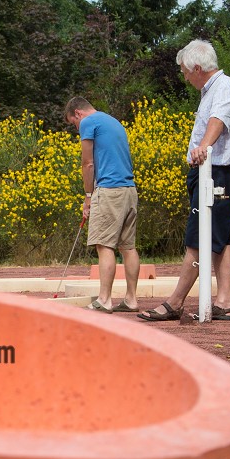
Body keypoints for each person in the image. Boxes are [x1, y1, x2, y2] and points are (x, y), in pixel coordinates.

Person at [140, 39, 230, 323]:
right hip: (212, 170)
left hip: (218, 171)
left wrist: (203, 147)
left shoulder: (224, 85)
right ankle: (224, 302)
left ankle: (175, 302)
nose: (184, 77)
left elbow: (219, 118)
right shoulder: (211, 90)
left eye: (185, 72)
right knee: (220, 239)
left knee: (197, 240)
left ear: (197, 68)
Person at [63, 97, 140, 313]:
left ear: (77, 113)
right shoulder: (113, 121)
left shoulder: (88, 122)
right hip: (129, 189)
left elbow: (87, 163)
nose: (77, 129)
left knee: (104, 244)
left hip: (109, 190)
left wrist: (88, 196)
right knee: (128, 246)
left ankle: (104, 300)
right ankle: (131, 299)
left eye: (73, 124)